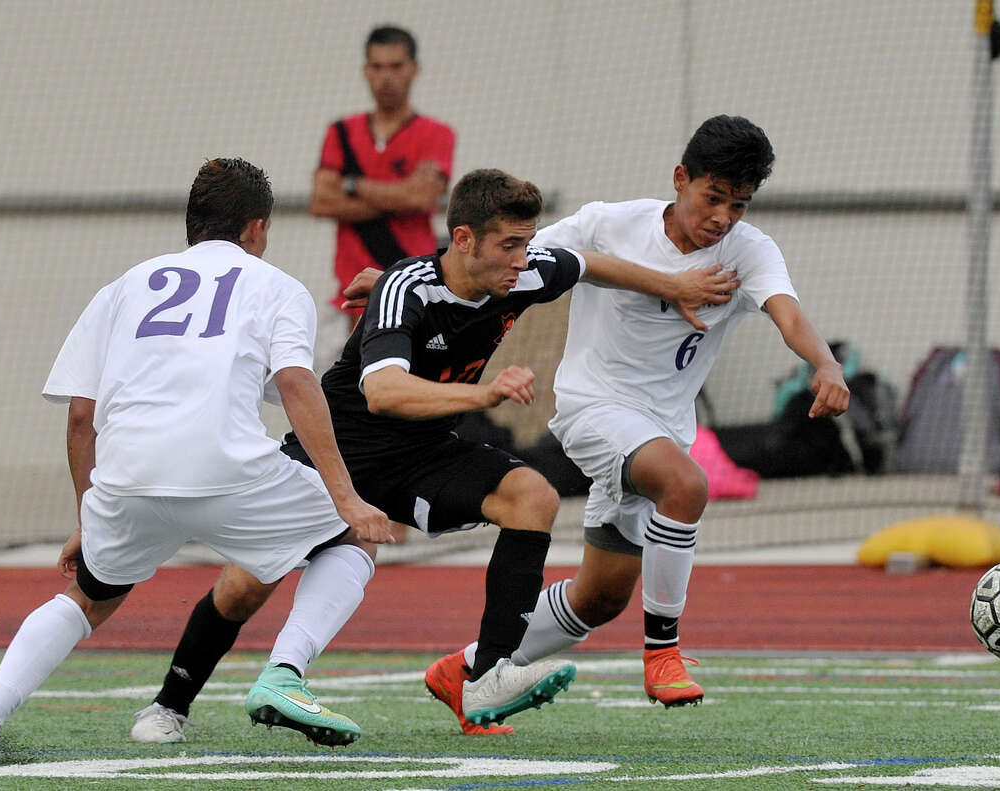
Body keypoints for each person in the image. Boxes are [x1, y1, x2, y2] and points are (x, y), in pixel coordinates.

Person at [127, 168, 740, 742]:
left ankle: (489, 674)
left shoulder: (523, 272)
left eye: (527, 244)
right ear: (465, 238)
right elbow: (384, 391)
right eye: (509, 246)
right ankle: (169, 705)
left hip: (422, 453)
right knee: (245, 585)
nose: (523, 261)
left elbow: (587, 265)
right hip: (341, 450)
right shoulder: (405, 289)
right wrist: (484, 392)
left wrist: (675, 285)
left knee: (533, 496)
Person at [0, 158, 393, 766]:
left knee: (88, 598)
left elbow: (80, 415)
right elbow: (294, 383)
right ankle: (284, 673)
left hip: (126, 478)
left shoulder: (123, 287)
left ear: (192, 224)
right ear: (256, 228)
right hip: (228, 470)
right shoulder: (277, 286)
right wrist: (346, 499)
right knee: (349, 540)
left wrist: (88, 520)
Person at [500, 114, 851, 707]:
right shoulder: (609, 224)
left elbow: (787, 313)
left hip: (661, 431)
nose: (722, 218)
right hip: (593, 409)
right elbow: (505, 259)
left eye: (738, 206)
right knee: (687, 485)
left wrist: (827, 365)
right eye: (713, 198)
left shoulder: (749, 251)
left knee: (599, 599)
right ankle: (663, 653)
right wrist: (401, 281)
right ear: (681, 178)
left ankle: (472, 666)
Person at [310, 24, 455, 333]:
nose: (385, 77)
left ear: (414, 69)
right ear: (365, 70)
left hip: (413, 288)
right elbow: (321, 201)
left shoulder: (436, 134)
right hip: (349, 295)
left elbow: (421, 198)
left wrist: (351, 185)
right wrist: (399, 196)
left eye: (395, 66)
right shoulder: (341, 132)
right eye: (377, 67)